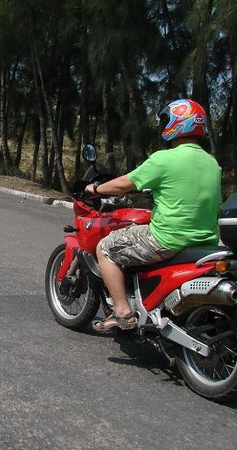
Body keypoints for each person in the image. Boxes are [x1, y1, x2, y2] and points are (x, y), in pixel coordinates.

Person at [85, 98, 222, 333]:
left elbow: (123, 184)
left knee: (106, 247)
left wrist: (95, 189)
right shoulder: (212, 163)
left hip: (167, 239)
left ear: (177, 124)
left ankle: (122, 312)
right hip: (205, 242)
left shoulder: (164, 159)